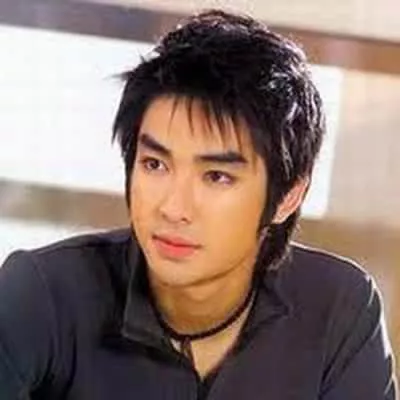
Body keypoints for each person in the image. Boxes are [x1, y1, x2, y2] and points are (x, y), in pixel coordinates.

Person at [0, 9, 397, 400]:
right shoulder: (42, 293)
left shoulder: (339, 311)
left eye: (217, 176)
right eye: (155, 165)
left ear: (288, 196)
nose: (173, 208)